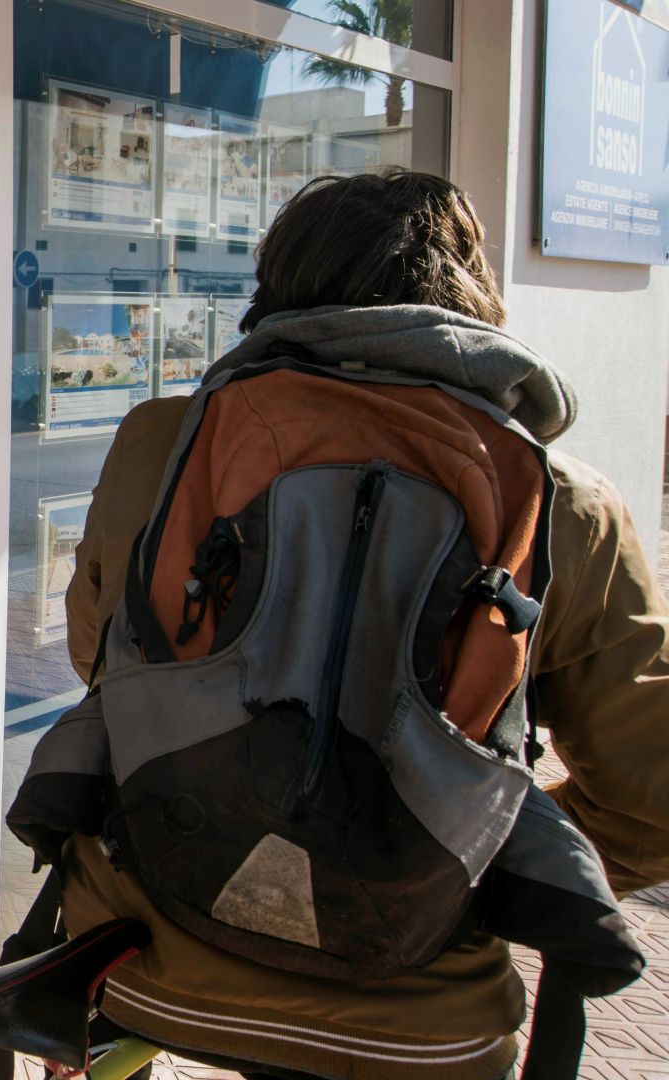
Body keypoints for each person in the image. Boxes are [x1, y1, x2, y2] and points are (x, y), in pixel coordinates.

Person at [56, 171, 669, 1079]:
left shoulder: (165, 441)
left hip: (151, 958)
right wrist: (459, 862)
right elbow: (650, 801)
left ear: (277, 285)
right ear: (474, 296)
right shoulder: (563, 501)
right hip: (416, 1013)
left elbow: (101, 659)